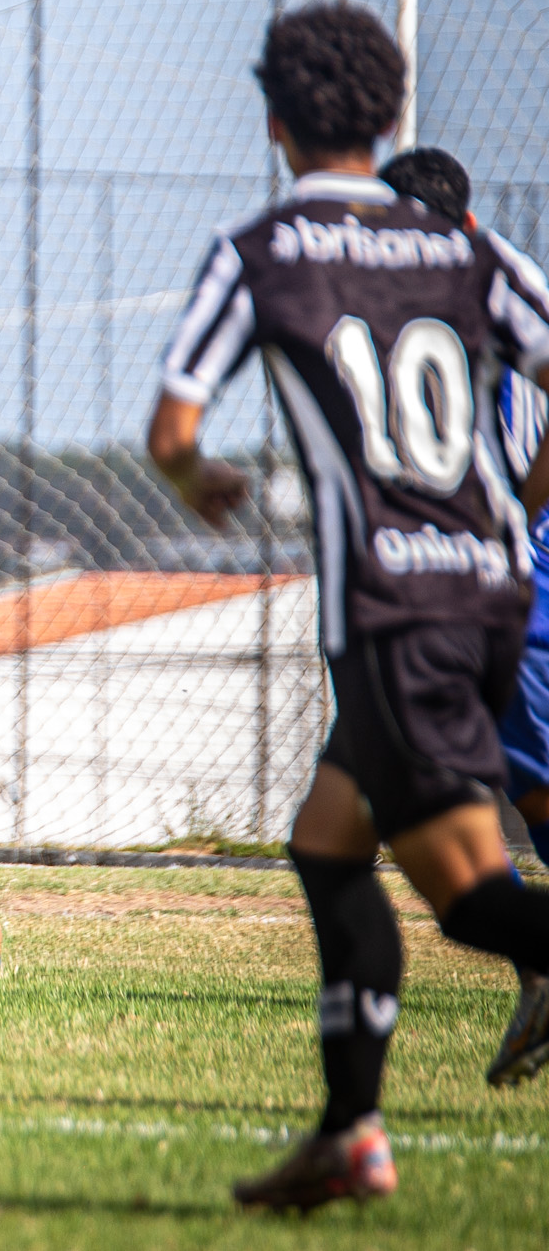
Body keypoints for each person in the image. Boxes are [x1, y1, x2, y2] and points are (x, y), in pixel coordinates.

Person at [149, 2, 549, 1211]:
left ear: (272, 120)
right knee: (327, 843)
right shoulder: (466, 250)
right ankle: (348, 1132)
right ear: (388, 116)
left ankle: (349, 1131)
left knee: (468, 895)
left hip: (386, 608)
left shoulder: (260, 249)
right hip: (487, 593)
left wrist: (200, 480)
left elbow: (172, 427)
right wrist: (509, 509)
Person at [379, 144, 549, 1087]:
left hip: (505, 575)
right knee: (415, 796)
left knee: (521, 784)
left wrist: (520, 513)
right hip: (449, 582)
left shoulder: (486, 286)